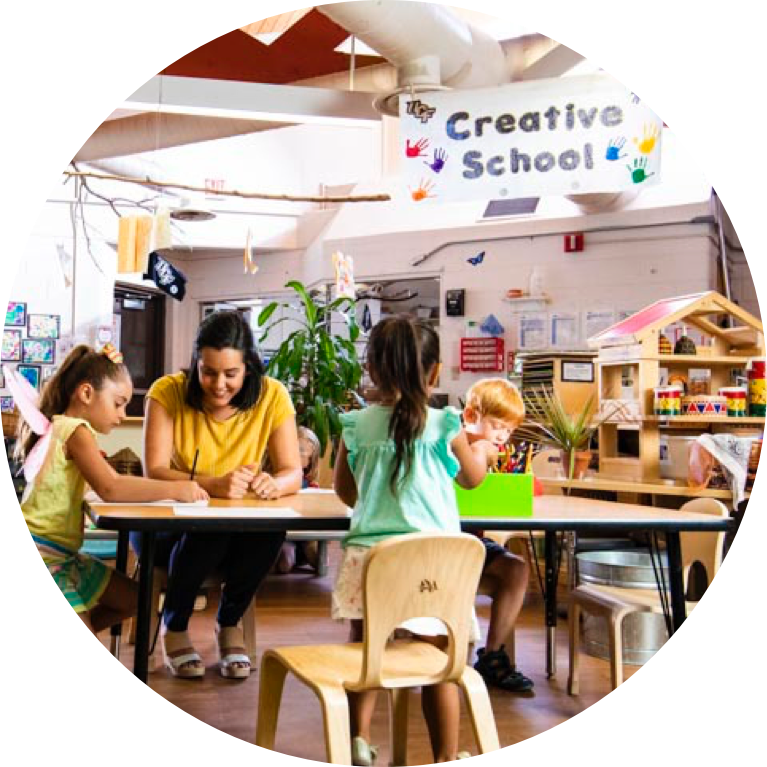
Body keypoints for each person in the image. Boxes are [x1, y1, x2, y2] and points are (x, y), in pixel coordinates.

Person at [332, 315, 494, 765]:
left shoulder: (355, 426)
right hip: (436, 566)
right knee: (442, 665)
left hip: (373, 562)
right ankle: (445, 753)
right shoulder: (446, 424)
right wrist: (481, 449)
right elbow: (473, 479)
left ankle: (359, 741)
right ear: (435, 372)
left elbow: (345, 492)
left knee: (367, 651)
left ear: (372, 370)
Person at [141, 311, 302, 679]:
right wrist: (213, 484)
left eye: (231, 374)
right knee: (210, 529)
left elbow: (292, 471)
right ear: (195, 364)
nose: (218, 385)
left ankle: (229, 623)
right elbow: (156, 470)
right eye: (208, 372)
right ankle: (175, 625)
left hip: (239, 532)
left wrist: (274, 484)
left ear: (249, 368)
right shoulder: (167, 392)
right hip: (167, 528)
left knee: (271, 530)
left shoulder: (272, 396)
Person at [16, 344, 207, 636]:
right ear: (86, 393)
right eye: (118, 403)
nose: (122, 414)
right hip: (46, 554)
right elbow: (111, 487)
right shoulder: (75, 429)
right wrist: (177, 489)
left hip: (63, 556)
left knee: (136, 599)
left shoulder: (64, 427)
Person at [462, 377, 534, 693]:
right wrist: (479, 452)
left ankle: (492, 656)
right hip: (442, 541)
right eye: (496, 426)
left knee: (516, 569)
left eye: (508, 431)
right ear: (470, 416)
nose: (502, 437)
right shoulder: (458, 444)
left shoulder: (492, 452)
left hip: (473, 543)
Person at [272, 425, 323, 573]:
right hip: (283, 535)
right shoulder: (274, 480)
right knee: (284, 564)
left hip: (305, 536)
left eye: (300, 451)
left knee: (318, 560)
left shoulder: (311, 486)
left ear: (310, 461)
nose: (292, 454)